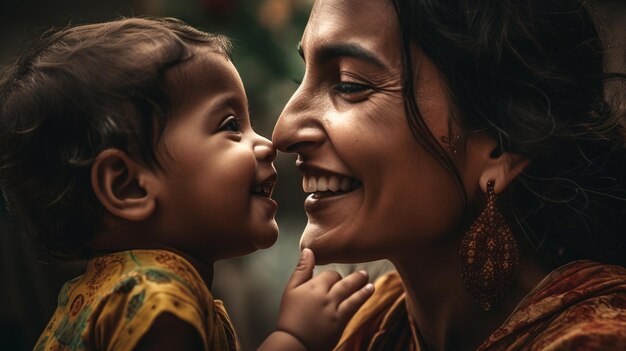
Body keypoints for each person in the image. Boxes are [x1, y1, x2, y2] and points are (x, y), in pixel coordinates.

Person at [0, 17, 375, 351]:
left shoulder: (96, 293)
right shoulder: (156, 303)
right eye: (230, 126)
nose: (267, 143)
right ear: (128, 186)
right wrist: (295, 337)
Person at [272, 0, 626, 349]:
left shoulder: (597, 341)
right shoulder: (365, 326)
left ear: (498, 148)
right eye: (301, 78)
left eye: (349, 84)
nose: (283, 131)